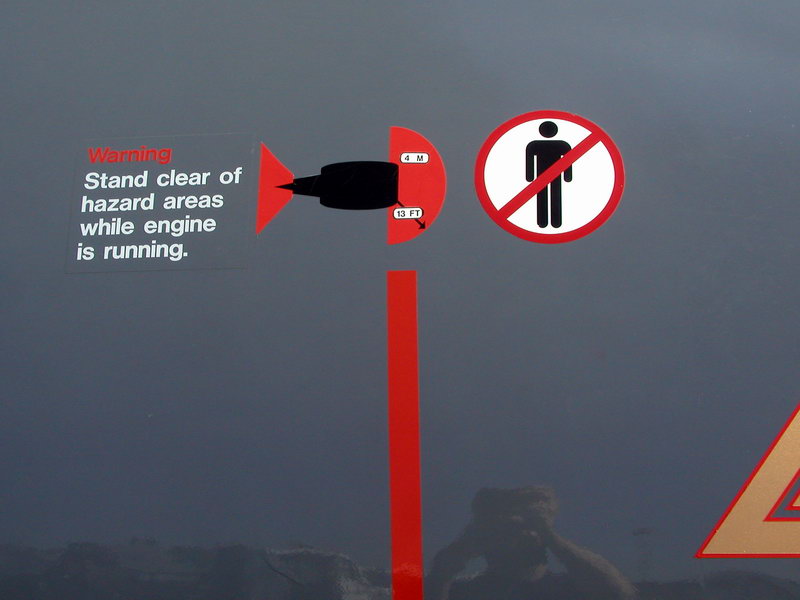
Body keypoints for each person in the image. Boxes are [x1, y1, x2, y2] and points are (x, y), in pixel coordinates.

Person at [426, 487, 637, 600]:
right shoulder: (462, 592)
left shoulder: (572, 588)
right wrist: (464, 545)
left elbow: (619, 594)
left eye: (528, 524)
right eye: (504, 525)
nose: (518, 535)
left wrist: (551, 537)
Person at [526, 122, 572, 228]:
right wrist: (567, 176)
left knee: (546, 196)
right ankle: (554, 222)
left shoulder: (534, 145)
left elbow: (529, 162)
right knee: (554, 195)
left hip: (544, 175)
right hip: (551, 175)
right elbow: (568, 161)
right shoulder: (563, 145)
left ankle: (545, 222)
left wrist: (529, 176)